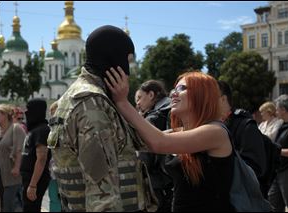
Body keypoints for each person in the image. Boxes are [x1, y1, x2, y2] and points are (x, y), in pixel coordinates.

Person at [47, 25, 157, 212]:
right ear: (112, 60)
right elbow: (101, 191)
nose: (128, 72)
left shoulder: (79, 96)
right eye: (126, 61)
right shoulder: (91, 104)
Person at [105, 68, 235, 211]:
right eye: (174, 89)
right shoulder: (182, 132)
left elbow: (158, 142)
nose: (173, 93)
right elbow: (140, 140)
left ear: (202, 95)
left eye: (182, 88)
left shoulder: (216, 132)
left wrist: (122, 101)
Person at [218, 80, 268, 195]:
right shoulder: (213, 125)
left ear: (223, 99)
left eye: (208, 98)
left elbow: (255, 169)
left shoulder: (245, 125)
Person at [135, 80, 173, 212]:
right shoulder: (172, 108)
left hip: (160, 184)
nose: (138, 103)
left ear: (151, 95)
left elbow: (145, 161)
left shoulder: (152, 118)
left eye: (140, 98)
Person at [20, 98, 51, 212]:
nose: (26, 112)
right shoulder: (35, 130)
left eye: (28, 109)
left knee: (31, 209)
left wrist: (33, 185)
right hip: (28, 178)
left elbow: (42, 158)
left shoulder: (42, 130)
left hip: (35, 179)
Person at [268, 95, 288, 212]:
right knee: (273, 202)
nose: (276, 112)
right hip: (278, 171)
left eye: (277, 109)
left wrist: (277, 151)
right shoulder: (283, 125)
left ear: (284, 110)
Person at [0, 104, 25, 212]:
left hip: (12, 176)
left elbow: (20, 149)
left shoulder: (16, 128)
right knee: (3, 205)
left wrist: (17, 167)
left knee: (11, 205)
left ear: (5, 115)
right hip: (1, 174)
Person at [47, 101, 61, 212]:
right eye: (52, 112)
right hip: (53, 172)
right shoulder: (50, 128)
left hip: (63, 171)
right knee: (54, 199)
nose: (53, 115)